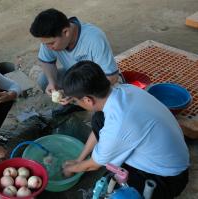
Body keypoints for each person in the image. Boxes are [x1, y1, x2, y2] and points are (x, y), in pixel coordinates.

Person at [61, 60, 189, 199]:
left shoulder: (118, 125)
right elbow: (102, 132)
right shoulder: (126, 90)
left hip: (165, 179)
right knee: (99, 118)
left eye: (75, 101)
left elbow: (93, 165)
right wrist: (79, 159)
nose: (76, 104)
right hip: (168, 157)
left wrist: (70, 168)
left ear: (87, 100)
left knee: (108, 191)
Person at [30, 8, 120, 116]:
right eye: (45, 44)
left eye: (51, 43)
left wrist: (75, 93)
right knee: (44, 80)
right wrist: (52, 82)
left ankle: (83, 104)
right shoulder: (50, 37)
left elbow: (112, 78)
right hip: (75, 77)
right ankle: (75, 105)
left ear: (66, 32)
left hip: (98, 80)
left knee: (100, 112)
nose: (48, 47)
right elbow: (47, 62)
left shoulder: (94, 38)